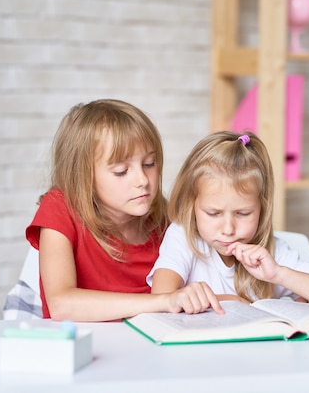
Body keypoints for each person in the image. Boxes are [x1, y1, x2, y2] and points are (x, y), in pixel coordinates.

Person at [26, 99, 223, 321]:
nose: (142, 180)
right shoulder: (60, 208)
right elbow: (61, 305)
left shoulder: (165, 222)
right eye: (121, 171)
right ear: (82, 175)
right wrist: (165, 301)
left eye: (149, 164)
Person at [148, 131, 309, 304]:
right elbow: (161, 299)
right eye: (213, 213)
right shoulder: (183, 238)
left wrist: (278, 274)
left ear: (261, 209)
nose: (228, 229)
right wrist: (230, 301)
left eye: (243, 214)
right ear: (191, 206)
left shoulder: (273, 251)